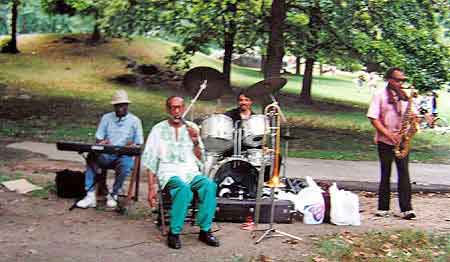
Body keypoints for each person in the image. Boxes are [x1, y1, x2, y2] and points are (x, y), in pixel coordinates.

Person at [142, 96, 219, 249]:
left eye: (179, 107)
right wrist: (151, 189)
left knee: (209, 186)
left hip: (190, 171)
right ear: (167, 109)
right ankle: (174, 233)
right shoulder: (158, 129)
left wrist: (195, 139)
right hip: (169, 172)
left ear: (183, 109)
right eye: (172, 107)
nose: (176, 111)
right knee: (183, 189)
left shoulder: (192, 127)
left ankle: (205, 231)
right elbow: (150, 160)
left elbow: (200, 158)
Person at [76, 90, 144, 209]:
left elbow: (139, 142)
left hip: (124, 156)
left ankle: (114, 193)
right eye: (117, 105)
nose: (120, 108)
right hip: (107, 154)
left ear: (127, 105)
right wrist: (101, 142)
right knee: (92, 157)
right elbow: (99, 137)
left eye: (122, 105)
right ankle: (90, 194)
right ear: (114, 106)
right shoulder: (106, 118)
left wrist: (133, 145)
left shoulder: (135, 121)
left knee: (126, 165)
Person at [367, 67, 416, 220]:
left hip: (402, 140)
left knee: (404, 174)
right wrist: (388, 134)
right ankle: (383, 207)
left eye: (403, 80)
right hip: (385, 140)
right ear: (389, 79)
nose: (401, 83)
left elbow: (410, 114)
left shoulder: (406, 96)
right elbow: (373, 118)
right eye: (397, 80)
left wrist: (414, 119)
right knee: (385, 173)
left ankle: (407, 208)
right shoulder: (379, 95)